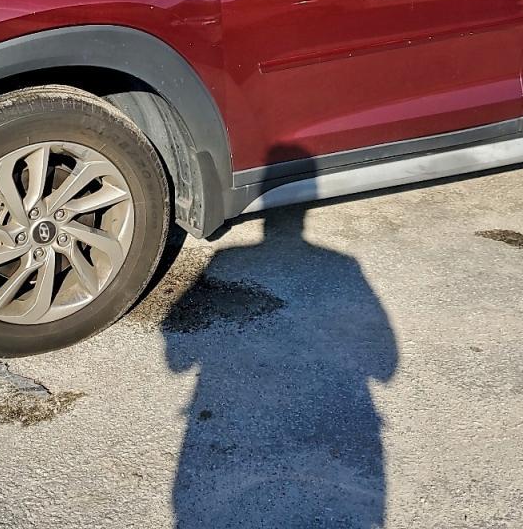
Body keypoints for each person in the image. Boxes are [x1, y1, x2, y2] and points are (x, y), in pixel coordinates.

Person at [163, 192, 398, 528]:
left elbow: (176, 360)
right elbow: (386, 366)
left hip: (219, 419)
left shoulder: (226, 258)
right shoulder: (344, 264)